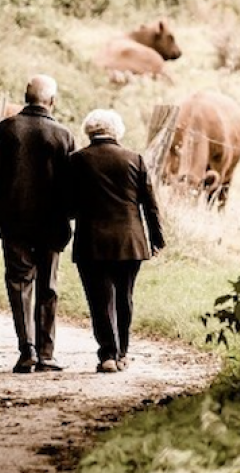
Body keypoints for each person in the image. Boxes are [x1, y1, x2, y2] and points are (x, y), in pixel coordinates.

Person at [0, 74, 76, 373]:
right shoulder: (63, 135)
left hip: (14, 223)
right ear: (53, 101)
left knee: (20, 285)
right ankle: (47, 354)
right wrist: (69, 218)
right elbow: (72, 187)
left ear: (25, 96)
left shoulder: (6, 130)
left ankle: (27, 350)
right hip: (52, 225)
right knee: (48, 286)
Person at [68, 109, 165, 373]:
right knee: (125, 297)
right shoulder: (135, 159)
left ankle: (107, 355)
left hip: (91, 241)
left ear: (89, 131)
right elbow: (150, 205)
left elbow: (68, 204)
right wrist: (156, 238)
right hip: (130, 240)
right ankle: (123, 352)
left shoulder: (76, 161)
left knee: (99, 300)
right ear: (116, 131)